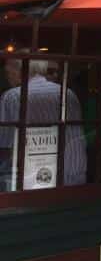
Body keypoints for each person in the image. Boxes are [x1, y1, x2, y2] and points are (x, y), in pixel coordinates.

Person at [0, 59, 86, 188]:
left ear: (21, 71)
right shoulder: (68, 93)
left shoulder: (13, 96)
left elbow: (4, 144)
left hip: (32, 180)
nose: (7, 78)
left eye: (8, 73)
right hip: (74, 174)